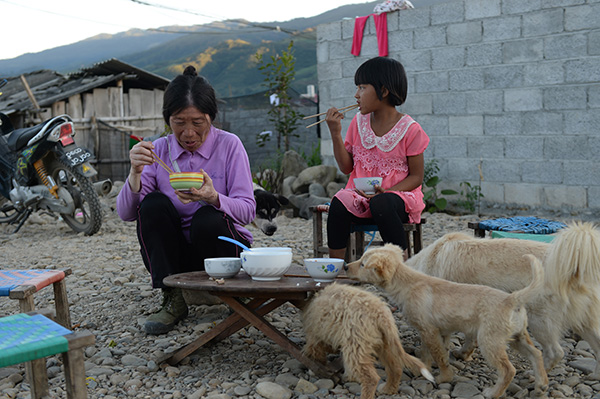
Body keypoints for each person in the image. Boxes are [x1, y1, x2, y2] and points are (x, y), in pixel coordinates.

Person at [117, 66, 256, 335]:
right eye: (179, 122)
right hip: (178, 257)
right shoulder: (157, 151)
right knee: (153, 205)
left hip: (223, 252)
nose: (189, 133)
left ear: (211, 118)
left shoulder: (229, 145)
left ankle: (236, 295)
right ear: (168, 119)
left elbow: (248, 211)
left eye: (197, 122)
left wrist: (214, 198)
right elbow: (126, 214)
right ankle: (173, 298)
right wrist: (134, 172)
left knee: (206, 217)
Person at [324, 56, 429, 262]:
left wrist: (388, 192)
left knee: (382, 203)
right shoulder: (358, 122)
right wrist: (335, 133)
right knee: (339, 202)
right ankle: (335, 270)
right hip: (361, 196)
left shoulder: (410, 129)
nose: (356, 95)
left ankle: (402, 269)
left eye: (362, 88)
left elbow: (416, 177)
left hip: (398, 198)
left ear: (383, 90)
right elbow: (347, 168)